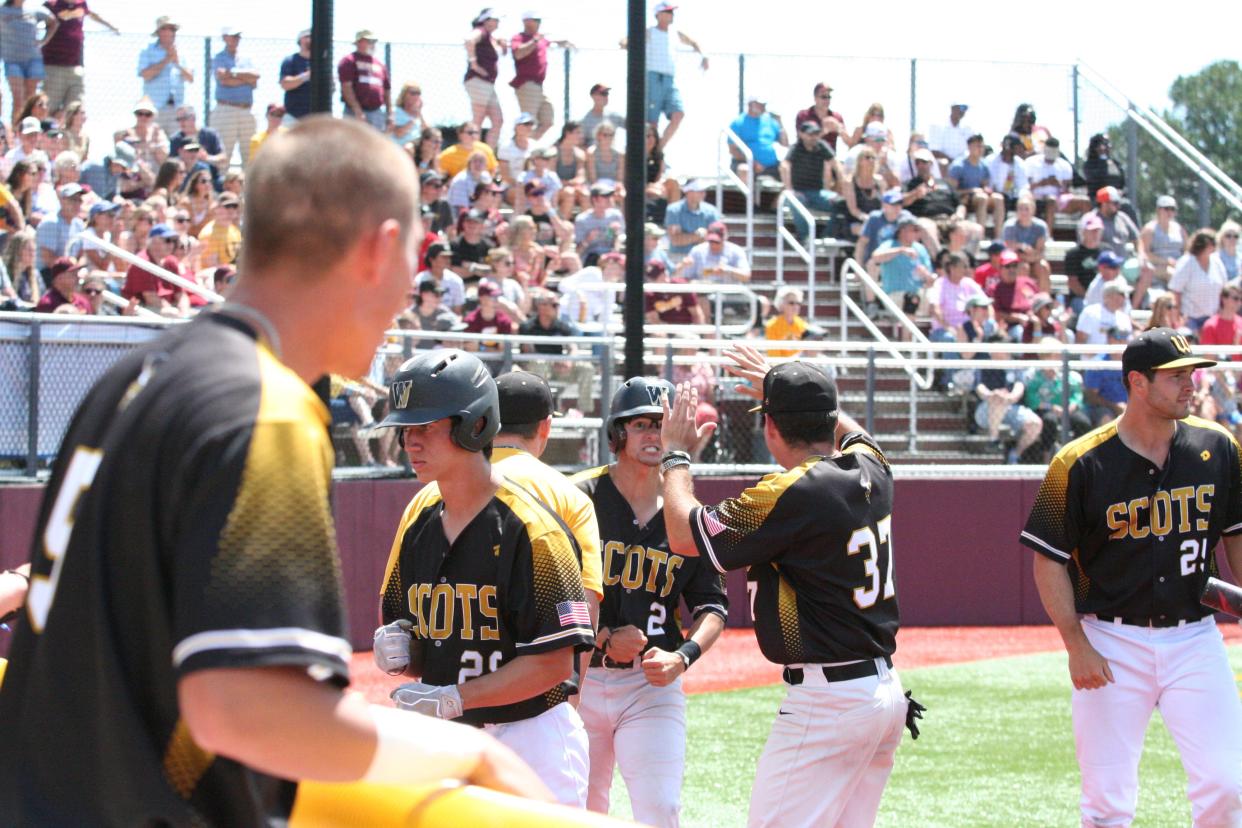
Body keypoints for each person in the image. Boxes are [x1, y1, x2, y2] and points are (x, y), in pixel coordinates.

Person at [0, 116, 551, 824]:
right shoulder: (267, 410)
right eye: (416, 258)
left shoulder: (132, 379)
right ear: (379, 250)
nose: (409, 293)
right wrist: (472, 756)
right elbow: (243, 708)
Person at [659, 344, 916, 828]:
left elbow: (682, 533)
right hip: (879, 692)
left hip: (829, 701)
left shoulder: (792, 490)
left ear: (770, 427)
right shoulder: (872, 467)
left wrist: (675, 458)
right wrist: (803, 391)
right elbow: (858, 434)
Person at [1024, 326, 1242, 827]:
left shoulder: (1218, 447)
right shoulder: (1079, 462)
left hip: (1195, 638)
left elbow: (1235, 532)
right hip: (1111, 640)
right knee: (1106, 803)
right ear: (1137, 383)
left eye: (1192, 374)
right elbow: (1048, 557)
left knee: (1226, 784)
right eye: (1176, 376)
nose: (1191, 385)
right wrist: (1075, 643)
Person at [375, 349, 595, 805]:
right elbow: (429, 649)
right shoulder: (418, 523)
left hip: (531, 736)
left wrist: (454, 697)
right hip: (452, 741)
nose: (409, 442)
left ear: (474, 425)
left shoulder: (534, 530)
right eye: (405, 430)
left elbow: (554, 664)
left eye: (426, 427)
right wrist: (403, 652)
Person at [571, 377, 727, 827]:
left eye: (662, 424)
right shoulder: (579, 498)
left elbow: (713, 608)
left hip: (650, 687)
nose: (653, 435)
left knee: (661, 811)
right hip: (578, 679)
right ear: (617, 434)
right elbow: (544, 595)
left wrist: (683, 657)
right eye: (641, 424)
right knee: (581, 810)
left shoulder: (685, 513)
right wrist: (600, 638)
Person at [623, 1, 707, 149]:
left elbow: (694, 42)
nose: (671, 15)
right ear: (659, 15)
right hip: (652, 77)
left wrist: (704, 56)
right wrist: (626, 45)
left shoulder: (676, 34)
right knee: (652, 122)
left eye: (671, 12)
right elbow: (626, 41)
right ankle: (647, 151)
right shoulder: (649, 31)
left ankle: (657, 149)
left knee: (678, 114)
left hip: (669, 80)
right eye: (668, 12)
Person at [520, 289, 595, 411]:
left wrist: (568, 361)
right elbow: (528, 351)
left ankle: (583, 411)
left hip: (559, 369)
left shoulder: (562, 326)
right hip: (534, 371)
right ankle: (541, 410)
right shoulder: (528, 327)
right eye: (554, 305)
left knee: (587, 368)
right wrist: (552, 361)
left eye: (558, 305)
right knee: (540, 364)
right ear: (541, 306)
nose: (557, 308)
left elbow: (572, 347)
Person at [41, 0, 118, 115]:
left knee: (75, 109)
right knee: (50, 107)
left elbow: (92, 14)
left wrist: (111, 26)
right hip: (53, 65)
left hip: (75, 66)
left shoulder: (81, 4)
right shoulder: (51, 4)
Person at [509, 11, 569, 141]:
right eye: (535, 20)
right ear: (526, 21)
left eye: (539, 20)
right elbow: (518, 53)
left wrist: (565, 42)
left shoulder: (541, 39)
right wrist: (535, 40)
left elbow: (550, 41)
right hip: (526, 84)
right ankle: (519, 147)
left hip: (539, 86)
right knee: (528, 121)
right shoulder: (519, 37)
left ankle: (528, 144)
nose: (538, 23)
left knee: (548, 119)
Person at [781, 119, 843, 239]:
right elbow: (784, 165)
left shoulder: (822, 146)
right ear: (802, 134)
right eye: (810, 134)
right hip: (798, 193)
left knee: (842, 204)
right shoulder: (796, 148)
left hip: (817, 193)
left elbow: (837, 166)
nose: (813, 137)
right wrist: (790, 190)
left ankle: (827, 236)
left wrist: (841, 188)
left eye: (816, 134)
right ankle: (806, 238)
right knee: (797, 200)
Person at [0, 0, 55, 128]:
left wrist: (43, 40)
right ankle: (15, 131)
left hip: (33, 59)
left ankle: (31, 129)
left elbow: (53, 22)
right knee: (18, 98)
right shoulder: (3, 10)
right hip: (12, 60)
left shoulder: (34, 8)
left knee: (31, 99)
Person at [210, 25, 259, 168]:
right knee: (223, 155)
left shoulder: (247, 58)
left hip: (247, 110)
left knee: (250, 157)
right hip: (226, 109)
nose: (236, 39)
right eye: (233, 36)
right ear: (225, 38)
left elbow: (255, 78)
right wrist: (245, 78)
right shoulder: (219, 58)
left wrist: (233, 73)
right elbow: (224, 80)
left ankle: (249, 190)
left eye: (238, 36)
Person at [137, 16, 193, 135]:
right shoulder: (148, 51)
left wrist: (177, 63)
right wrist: (166, 60)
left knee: (177, 146)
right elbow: (145, 75)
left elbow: (190, 78)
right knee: (154, 145)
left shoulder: (182, 52)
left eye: (173, 29)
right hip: (155, 108)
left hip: (177, 109)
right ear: (160, 32)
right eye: (168, 29)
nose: (171, 33)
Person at [1170, 228, 1227, 332]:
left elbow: (1223, 288)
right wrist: (1177, 317)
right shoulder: (1187, 262)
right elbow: (1176, 291)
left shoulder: (1217, 262)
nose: (1212, 246)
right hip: (1190, 318)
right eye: (1209, 243)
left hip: (1212, 318)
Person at [463, 9, 506, 147]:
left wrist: (500, 43)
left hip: (487, 83)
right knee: (478, 119)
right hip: (478, 81)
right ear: (486, 20)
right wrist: (474, 64)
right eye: (496, 19)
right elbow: (469, 40)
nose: (498, 22)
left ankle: (487, 153)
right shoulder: (480, 31)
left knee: (497, 120)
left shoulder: (489, 36)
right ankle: (472, 150)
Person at [338, 30, 390, 132]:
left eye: (374, 41)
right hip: (354, 112)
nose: (373, 44)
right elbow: (346, 87)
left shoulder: (379, 64)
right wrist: (357, 110)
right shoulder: (349, 61)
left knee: (375, 145)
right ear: (358, 42)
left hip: (376, 113)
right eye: (369, 41)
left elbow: (387, 89)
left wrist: (390, 114)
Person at [729, 95, 787, 180]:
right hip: (747, 164)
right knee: (744, 169)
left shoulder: (770, 121)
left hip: (772, 166)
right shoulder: (738, 123)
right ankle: (746, 193)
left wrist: (780, 123)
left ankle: (790, 192)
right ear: (750, 104)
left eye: (764, 105)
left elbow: (785, 143)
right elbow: (733, 150)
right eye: (760, 104)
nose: (763, 107)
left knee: (786, 167)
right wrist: (753, 163)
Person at [1002, 195, 1051, 292]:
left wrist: (1028, 254)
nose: (1023, 212)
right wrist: (1023, 249)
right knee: (1023, 267)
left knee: (1043, 267)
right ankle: (1021, 300)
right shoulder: (1009, 226)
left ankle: (1044, 299)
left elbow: (1040, 251)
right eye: (1020, 209)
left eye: (1026, 209)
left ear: (1033, 211)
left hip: (1034, 259)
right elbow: (1010, 252)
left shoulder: (1041, 227)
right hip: (1016, 261)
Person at [793, 81, 847, 152]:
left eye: (829, 97)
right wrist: (824, 131)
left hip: (830, 161)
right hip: (807, 159)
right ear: (815, 98)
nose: (827, 100)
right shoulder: (803, 115)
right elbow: (800, 141)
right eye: (824, 97)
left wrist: (840, 130)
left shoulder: (836, 117)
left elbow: (849, 143)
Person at [764, 285, 809, 358]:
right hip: (780, 365)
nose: (796, 306)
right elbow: (773, 354)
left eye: (798, 303)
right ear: (781, 304)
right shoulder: (772, 325)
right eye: (791, 303)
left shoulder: (803, 325)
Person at [927, 103, 972, 172]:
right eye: (962, 107)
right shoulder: (937, 126)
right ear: (953, 108)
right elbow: (934, 151)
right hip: (942, 167)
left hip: (962, 167)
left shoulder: (968, 129)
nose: (963, 111)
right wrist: (954, 162)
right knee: (943, 162)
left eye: (965, 108)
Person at [279, 29, 312, 120]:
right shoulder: (290, 60)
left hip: (316, 116)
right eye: (308, 37)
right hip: (293, 115)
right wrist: (306, 76)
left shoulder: (321, 63)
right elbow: (285, 84)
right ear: (300, 40)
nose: (311, 39)